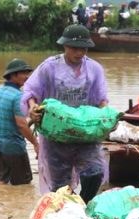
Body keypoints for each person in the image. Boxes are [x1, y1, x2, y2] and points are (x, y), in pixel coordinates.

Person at [21, 24, 109, 203]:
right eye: (74, 48)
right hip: (57, 134)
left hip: (84, 131)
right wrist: (32, 107)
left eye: (83, 49)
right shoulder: (49, 67)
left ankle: (82, 204)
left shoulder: (94, 69)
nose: (79, 53)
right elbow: (31, 91)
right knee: (60, 185)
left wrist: (105, 118)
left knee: (94, 172)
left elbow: (102, 98)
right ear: (65, 46)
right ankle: (64, 211)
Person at [0, 58, 38, 185]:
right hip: (14, 148)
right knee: (23, 187)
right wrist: (36, 143)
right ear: (13, 75)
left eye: (28, 73)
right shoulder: (18, 96)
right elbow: (21, 124)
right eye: (24, 73)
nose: (27, 77)